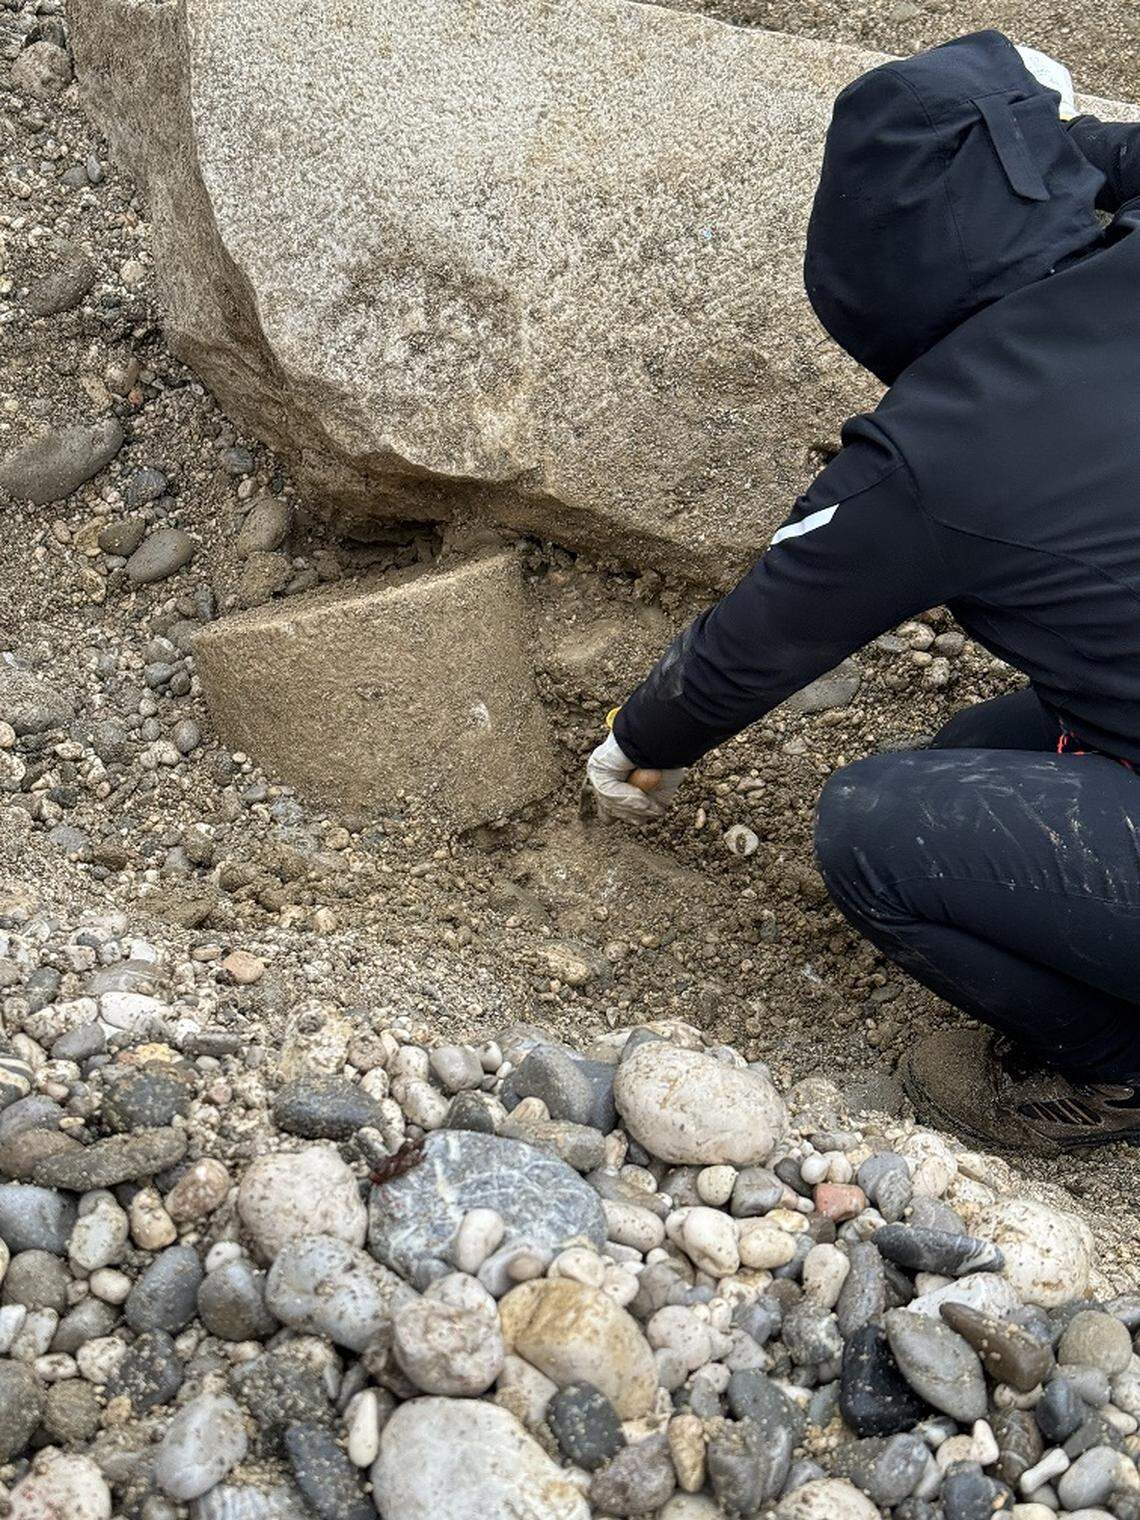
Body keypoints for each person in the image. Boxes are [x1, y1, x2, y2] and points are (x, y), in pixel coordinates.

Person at [586, 30, 1140, 1155]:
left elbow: (751, 643)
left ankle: (1121, 1066)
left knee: (876, 828)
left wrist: (635, 739)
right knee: (971, 753)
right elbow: (1101, 161)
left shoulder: (939, 443)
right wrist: (1044, 139)